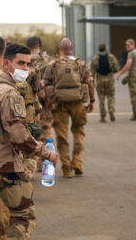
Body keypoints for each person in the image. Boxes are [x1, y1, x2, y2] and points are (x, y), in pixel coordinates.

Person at [0, 44, 57, 239]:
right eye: (21, 63)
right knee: (23, 215)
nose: (26, 68)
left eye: (28, 64)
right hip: (4, 164)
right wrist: (46, 153)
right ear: (6, 64)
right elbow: (19, 136)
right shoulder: (9, 93)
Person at [44, 38, 95, 178]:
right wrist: (92, 100)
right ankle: (77, 162)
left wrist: (49, 101)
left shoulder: (53, 64)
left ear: (61, 48)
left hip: (59, 103)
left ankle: (66, 168)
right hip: (78, 103)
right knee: (78, 130)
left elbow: (46, 83)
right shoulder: (80, 63)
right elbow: (89, 83)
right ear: (71, 48)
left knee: (62, 136)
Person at [26, 36, 53, 172]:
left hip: (28, 103)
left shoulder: (22, 59)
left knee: (31, 132)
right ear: (40, 46)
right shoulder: (47, 60)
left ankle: (33, 163)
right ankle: (46, 160)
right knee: (47, 131)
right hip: (45, 101)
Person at [90, 44, 120, 122]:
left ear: (99, 49)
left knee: (101, 99)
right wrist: (112, 71)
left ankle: (103, 117)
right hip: (109, 79)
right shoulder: (111, 57)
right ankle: (111, 109)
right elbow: (117, 68)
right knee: (111, 96)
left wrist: (92, 82)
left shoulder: (95, 59)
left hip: (100, 80)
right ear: (105, 49)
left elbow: (91, 72)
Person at [116, 39, 136, 121]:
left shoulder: (131, 53)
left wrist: (120, 74)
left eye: (129, 45)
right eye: (126, 45)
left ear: (133, 45)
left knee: (134, 95)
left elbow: (128, 65)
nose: (127, 47)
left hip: (134, 75)